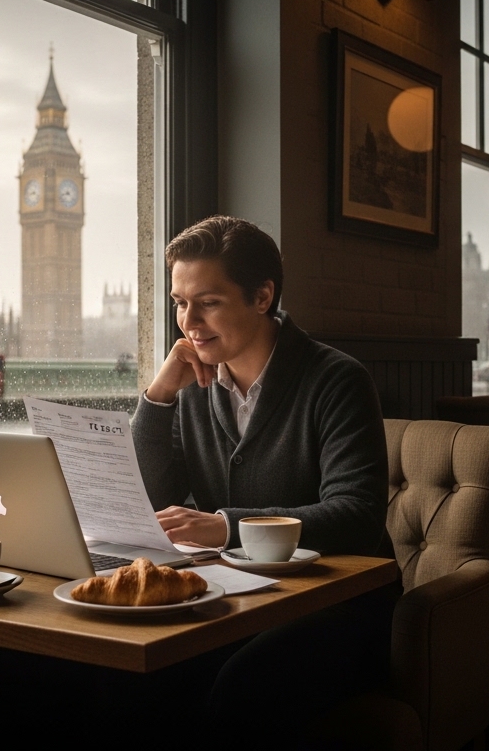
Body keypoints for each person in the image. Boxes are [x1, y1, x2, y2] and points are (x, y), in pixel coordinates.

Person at [132, 215, 391, 742]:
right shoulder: (194, 384)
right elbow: (149, 496)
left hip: (338, 607)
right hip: (237, 599)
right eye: (180, 303)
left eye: (207, 302)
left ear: (262, 296)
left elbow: (358, 514)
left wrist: (226, 527)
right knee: (135, 682)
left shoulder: (337, 379)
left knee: (238, 689)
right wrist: (158, 397)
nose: (188, 322)